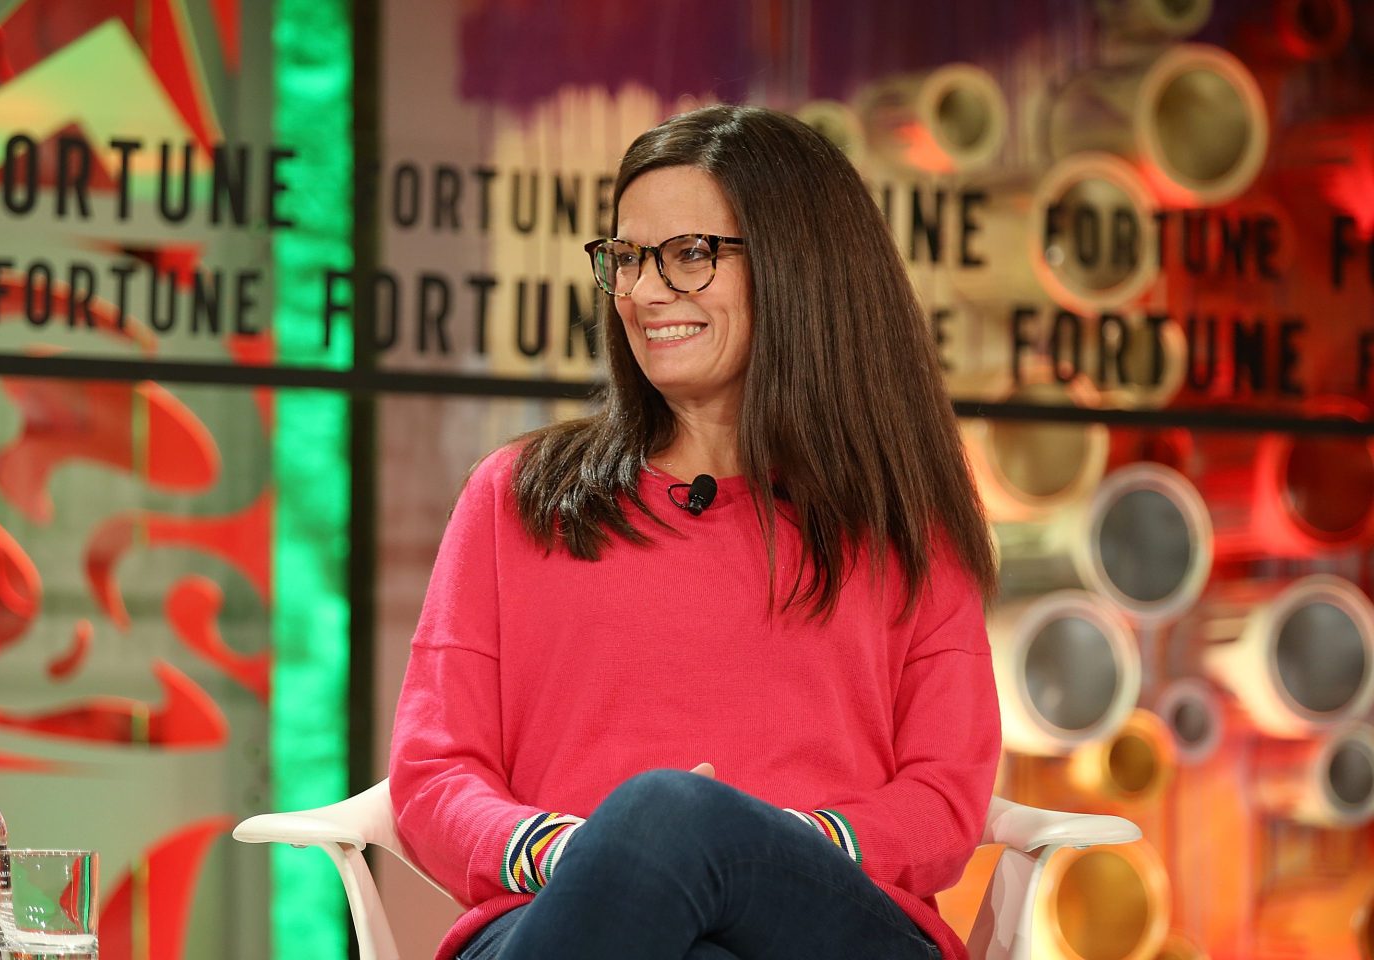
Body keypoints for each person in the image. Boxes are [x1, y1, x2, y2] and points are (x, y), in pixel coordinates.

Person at [389, 104, 1001, 960]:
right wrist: (582, 852)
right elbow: (433, 777)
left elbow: (944, 799)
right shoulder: (517, 496)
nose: (642, 292)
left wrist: (757, 843)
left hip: (827, 921)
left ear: (799, 268)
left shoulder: (904, 518)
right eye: (628, 259)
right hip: (560, 914)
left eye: (688, 255)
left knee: (671, 814)